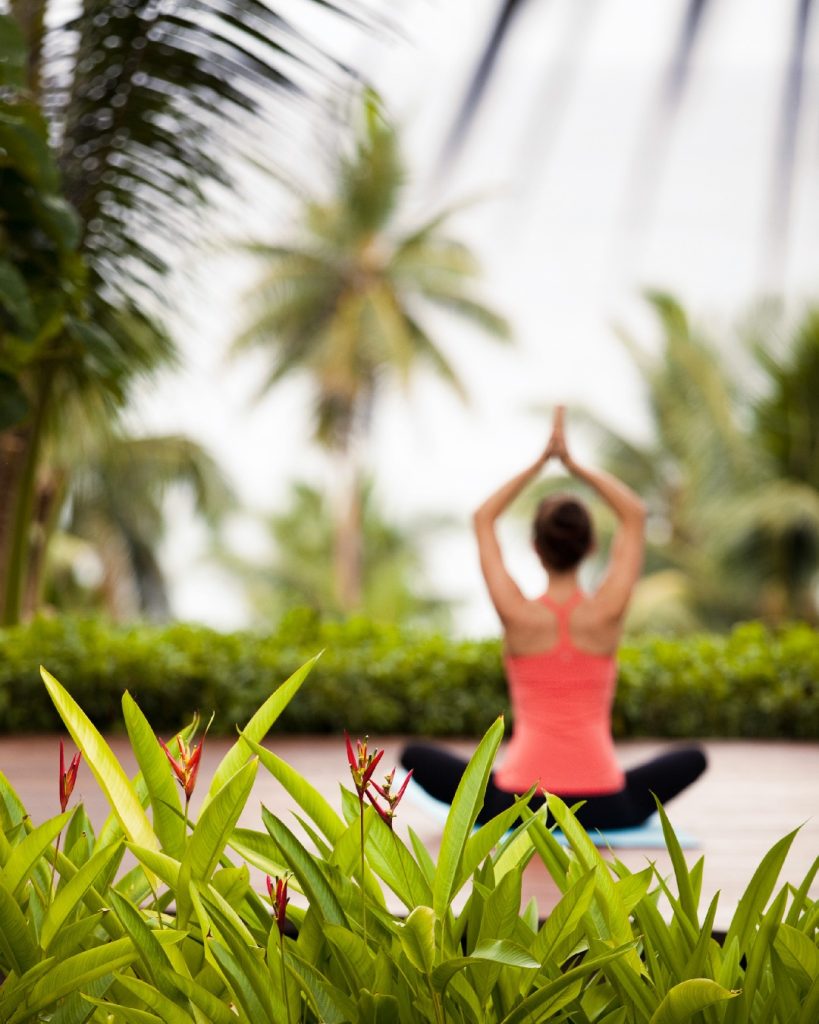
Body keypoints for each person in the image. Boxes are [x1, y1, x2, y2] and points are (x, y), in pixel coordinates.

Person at [401, 407, 706, 829]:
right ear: (591, 545)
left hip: (518, 805)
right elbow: (635, 514)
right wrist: (574, 465)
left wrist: (540, 463)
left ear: (535, 547)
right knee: (694, 757)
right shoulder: (606, 612)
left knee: (413, 755)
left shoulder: (518, 615)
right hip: (604, 806)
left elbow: (483, 518)